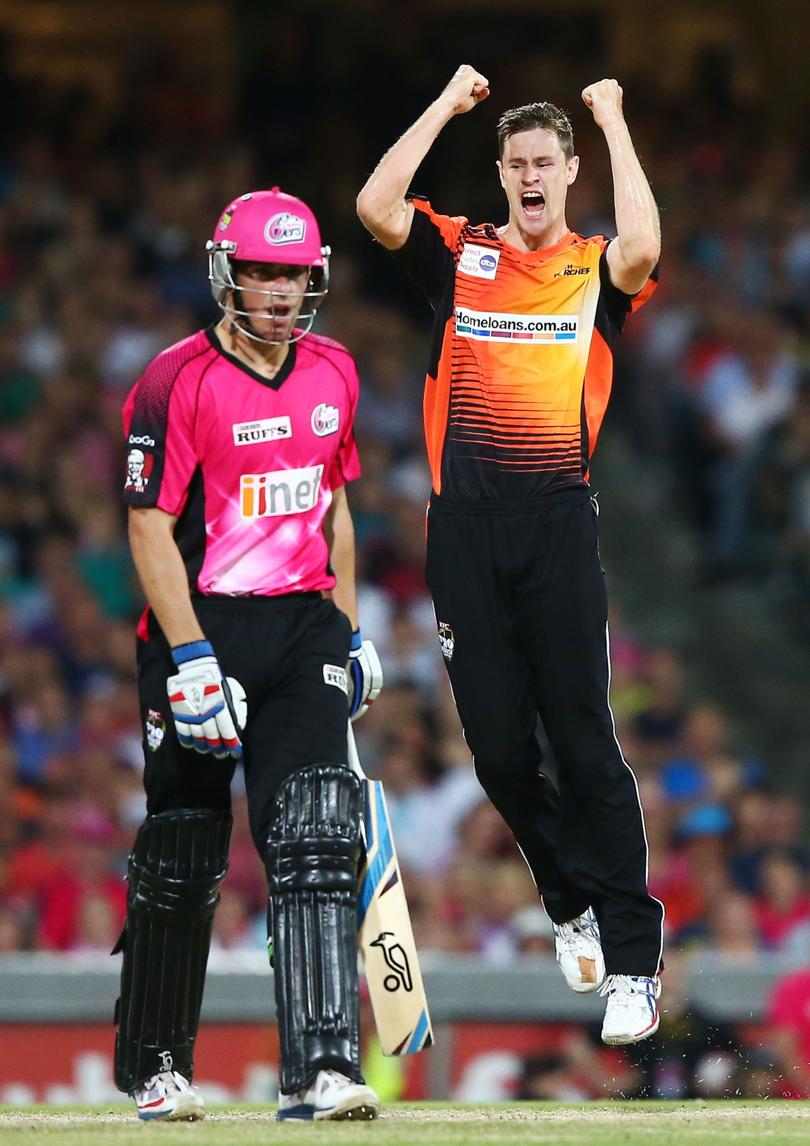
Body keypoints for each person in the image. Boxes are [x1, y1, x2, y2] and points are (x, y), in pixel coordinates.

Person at [357, 65, 664, 1045]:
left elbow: (648, 244)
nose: (532, 176)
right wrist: (445, 106)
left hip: (557, 525)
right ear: (501, 171)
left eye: (547, 162)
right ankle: (567, 898)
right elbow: (373, 207)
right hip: (465, 531)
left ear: (570, 173)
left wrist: (611, 119)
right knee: (496, 750)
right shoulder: (464, 254)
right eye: (518, 162)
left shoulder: (594, 266)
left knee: (585, 747)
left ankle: (631, 964)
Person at [114, 187, 383, 1122]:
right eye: (260, 272)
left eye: (292, 274)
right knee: (183, 852)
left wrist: (347, 633)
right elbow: (149, 529)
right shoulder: (173, 380)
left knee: (316, 835)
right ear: (227, 272)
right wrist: (188, 657)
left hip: (301, 622)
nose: (276, 292)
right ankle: (155, 1067)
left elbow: (336, 506)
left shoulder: (338, 371)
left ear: (315, 279)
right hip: (202, 626)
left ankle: (321, 1067)